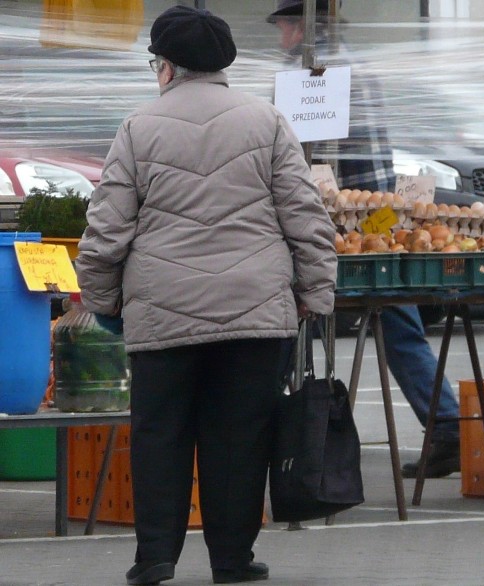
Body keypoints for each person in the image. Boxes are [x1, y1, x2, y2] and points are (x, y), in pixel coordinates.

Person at [75, 6, 337, 585]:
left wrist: (102, 302)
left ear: (166, 66)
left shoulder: (138, 128)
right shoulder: (267, 121)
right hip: (254, 315)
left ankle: (155, 558)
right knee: (240, 438)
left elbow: (106, 231)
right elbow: (306, 217)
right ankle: (232, 560)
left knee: (159, 434)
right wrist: (316, 296)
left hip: (163, 315)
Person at [267, 0, 461, 479]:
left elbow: (298, 154)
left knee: (290, 324)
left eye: (283, 26)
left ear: (300, 26)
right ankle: (447, 422)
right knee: (400, 324)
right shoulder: (352, 64)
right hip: (372, 214)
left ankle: (280, 434)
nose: (279, 37)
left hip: (338, 216)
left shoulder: (312, 73)